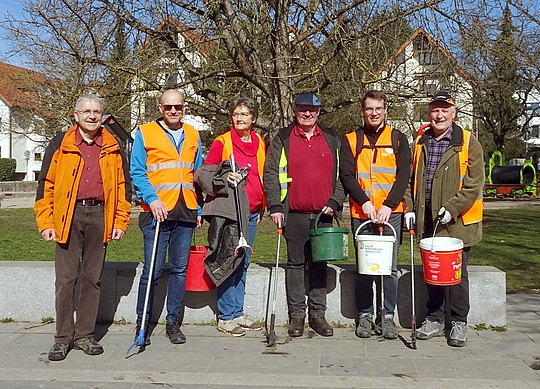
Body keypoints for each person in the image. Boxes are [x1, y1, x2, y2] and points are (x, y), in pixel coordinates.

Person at [35, 94, 132, 361]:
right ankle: (63, 337)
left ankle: (85, 335)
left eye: (97, 112)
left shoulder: (113, 145)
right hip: (69, 214)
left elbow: (123, 188)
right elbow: (46, 184)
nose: (92, 116)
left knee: (93, 278)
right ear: (75, 115)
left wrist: (120, 221)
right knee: (66, 279)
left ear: (102, 116)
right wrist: (46, 221)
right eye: (86, 111)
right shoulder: (60, 143)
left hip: (100, 215)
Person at [406, 91, 484, 347]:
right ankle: (435, 319)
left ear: (453, 113)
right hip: (428, 219)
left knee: (457, 275)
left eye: (444, 110)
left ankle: (459, 322)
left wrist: (453, 207)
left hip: (458, 222)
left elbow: (474, 184)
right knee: (433, 272)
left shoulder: (468, 142)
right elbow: (409, 179)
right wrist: (409, 207)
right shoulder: (420, 141)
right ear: (429, 113)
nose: (439, 115)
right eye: (435, 110)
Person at [264, 92, 345, 338]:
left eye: (312, 110)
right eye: (302, 109)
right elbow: (270, 173)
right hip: (294, 214)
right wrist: (275, 206)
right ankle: (297, 316)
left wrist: (336, 200)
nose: (307, 114)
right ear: (295, 111)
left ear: (319, 112)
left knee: (319, 265)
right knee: (295, 266)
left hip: (324, 215)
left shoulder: (332, 138)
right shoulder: (283, 137)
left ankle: (318, 315)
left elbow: (344, 175)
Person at [131, 89, 203, 345]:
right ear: (160, 108)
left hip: (185, 210)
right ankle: (143, 323)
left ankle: (174, 322)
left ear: (184, 107)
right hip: (156, 212)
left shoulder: (193, 134)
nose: (174, 111)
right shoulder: (145, 132)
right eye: (168, 107)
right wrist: (152, 200)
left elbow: (197, 174)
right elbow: (137, 171)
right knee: (151, 271)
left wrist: (199, 209)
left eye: (178, 107)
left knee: (179, 270)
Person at [340, 90, 410, 339]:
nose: (374, 113)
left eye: (378, 108)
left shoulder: (399, 139)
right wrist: (365, 203)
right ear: (363, 111)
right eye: (369, 108)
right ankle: (365, 315)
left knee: (389, 269)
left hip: (391, 213)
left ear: (385, 109)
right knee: (364, 267)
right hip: (362, 213)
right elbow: (346, 176)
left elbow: (403, 176)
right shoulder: (350, 140)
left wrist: (388, 205)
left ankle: (387, 316)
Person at [200, 97, 265, 336]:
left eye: (244, 114)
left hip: (252, 212)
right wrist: (224, 179)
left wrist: (263, 207)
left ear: (253, 119)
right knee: (230, 260)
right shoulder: (222, 142)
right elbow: (206, 172)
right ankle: (226, 316)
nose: (239, 118)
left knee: (244, 263)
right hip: (231, 213)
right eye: (236, 114)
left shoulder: (259, 141)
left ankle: (238, 312)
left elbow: (260, 175)